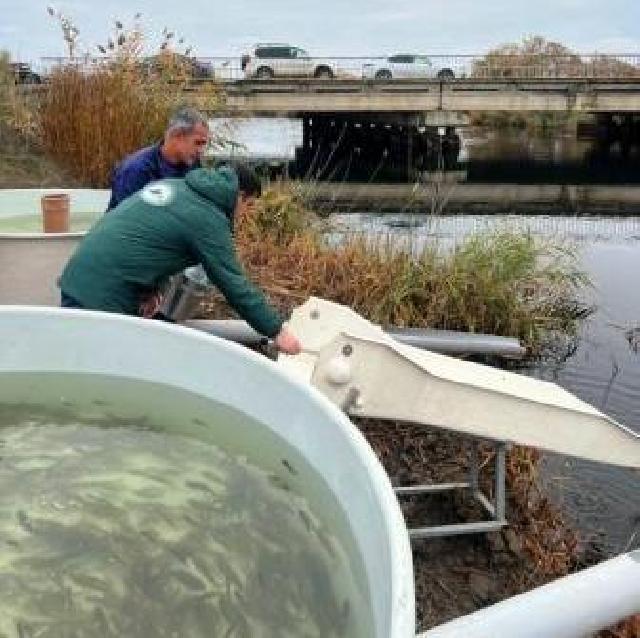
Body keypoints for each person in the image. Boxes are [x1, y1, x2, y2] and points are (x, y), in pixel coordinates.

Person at [59, 164, 302, 355]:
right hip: (103, 297)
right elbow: (233, 283)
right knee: (106, 376)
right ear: (239, 196)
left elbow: (147, 244)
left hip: (79, 278)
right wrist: (277, 330)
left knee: (78, 365)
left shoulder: (177, 187)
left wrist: (152, 290)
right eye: (249, 206)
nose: (245, 214)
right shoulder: (207, 217)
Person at [106, 106, 210, 211]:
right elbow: (127, 218)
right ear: (177, 136)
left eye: (203, 144)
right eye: (197, 143)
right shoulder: (136, 169)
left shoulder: (194, 165)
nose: (201, 150)